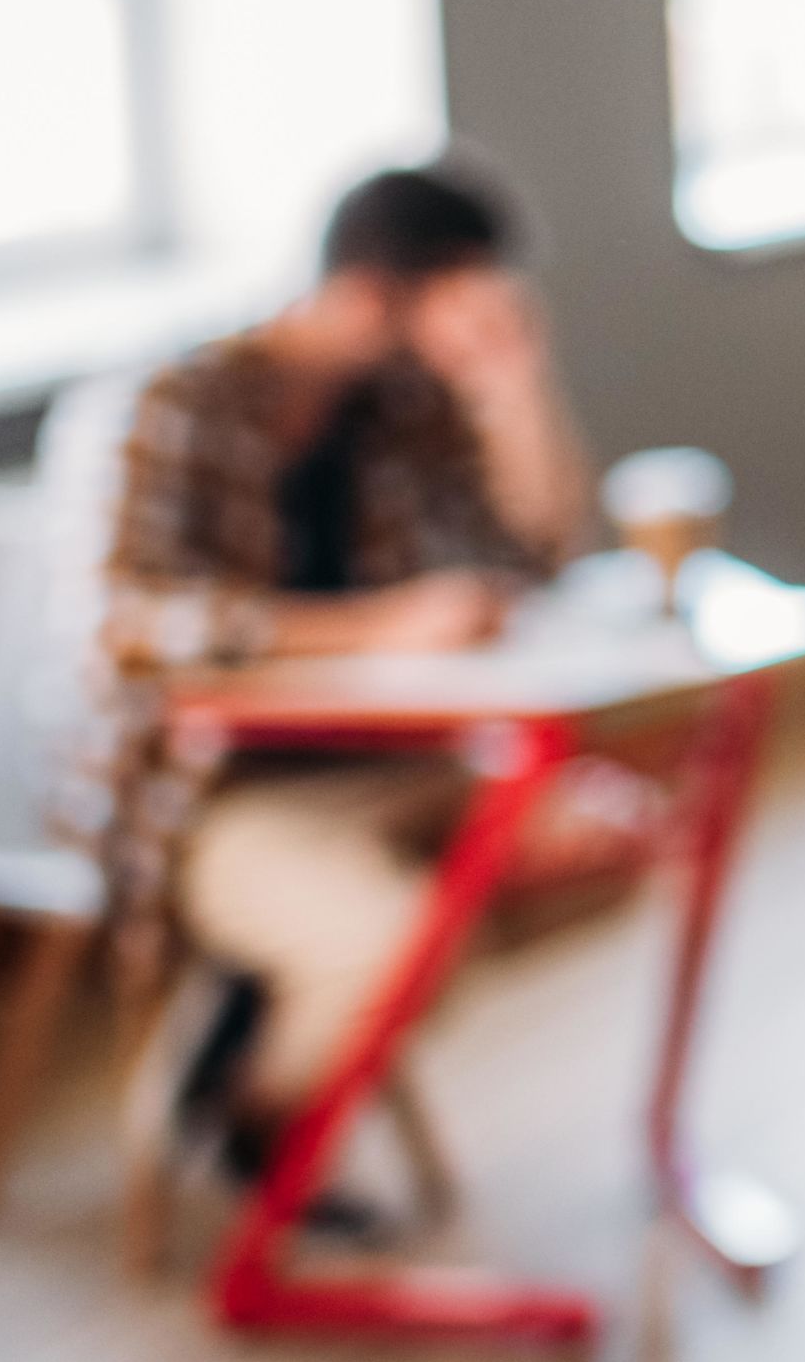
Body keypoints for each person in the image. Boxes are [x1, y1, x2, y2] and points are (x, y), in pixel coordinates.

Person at [91, 161, 599, 1180]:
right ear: (376, 292)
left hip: (398, 762)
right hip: (219, 792)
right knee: (405, 938)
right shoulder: (189, 399)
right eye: (463, 297)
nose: (479, 317)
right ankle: (257, 1120)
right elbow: (134, 622)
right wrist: (371, 627)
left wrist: (512, 380)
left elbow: (541, 548)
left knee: (611, 830)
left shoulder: (400, 407)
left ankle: (290, 1020)